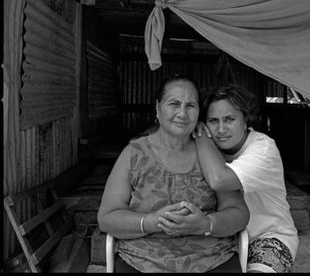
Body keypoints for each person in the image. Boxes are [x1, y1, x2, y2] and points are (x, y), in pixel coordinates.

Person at [97, 75, 249, 273]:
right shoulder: (134, 153)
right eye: (174, 103)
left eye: (191, 105)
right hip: (142, 260)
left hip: (211, 258)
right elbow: (107, 217)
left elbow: (239, 213)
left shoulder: (209, 154)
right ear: (158, 108)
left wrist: (205, 224)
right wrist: (153, 222)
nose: (182, 113)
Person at [194, 83, 298, 273]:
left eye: (229, 119)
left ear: (245, 120)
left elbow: (220, 180)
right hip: (225, 235)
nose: (221, 129)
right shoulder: (210, 149)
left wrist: (200, 135)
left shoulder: (263, 148)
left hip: (268, 236)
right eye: (213, 121)